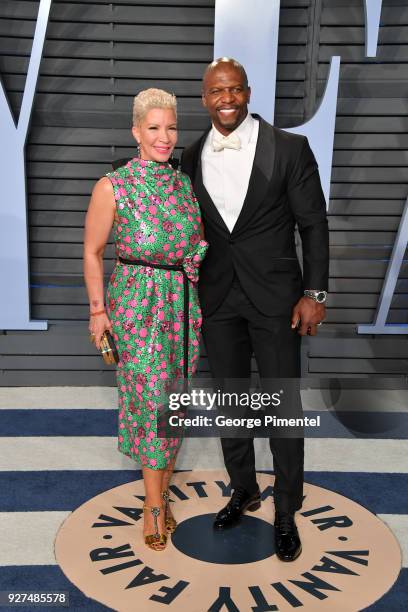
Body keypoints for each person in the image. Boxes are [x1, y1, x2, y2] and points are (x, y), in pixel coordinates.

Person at [181, 58, 329, 562]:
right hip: (218, 297)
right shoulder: (192, 154)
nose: (227, 99)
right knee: (231, 401)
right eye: (217, 91)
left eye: (235, 90)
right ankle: (242, 488)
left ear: (247, 92)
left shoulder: (289, 148)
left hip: (276, 299)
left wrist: (316, 293)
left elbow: (314, 225)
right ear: (205, 98)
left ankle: (287, 509)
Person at [84, 88, 208, 552]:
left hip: (181, 304)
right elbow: (93, 253)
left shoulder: (182, 186)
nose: (164, 137)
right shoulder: (113, 186)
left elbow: (195, 245)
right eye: (154, 127)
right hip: (136, 305)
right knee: (151, 400)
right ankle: (154, 505)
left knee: (173, 403)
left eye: (171, 127)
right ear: (136, 131)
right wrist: (99, 312)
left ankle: (159, 491)